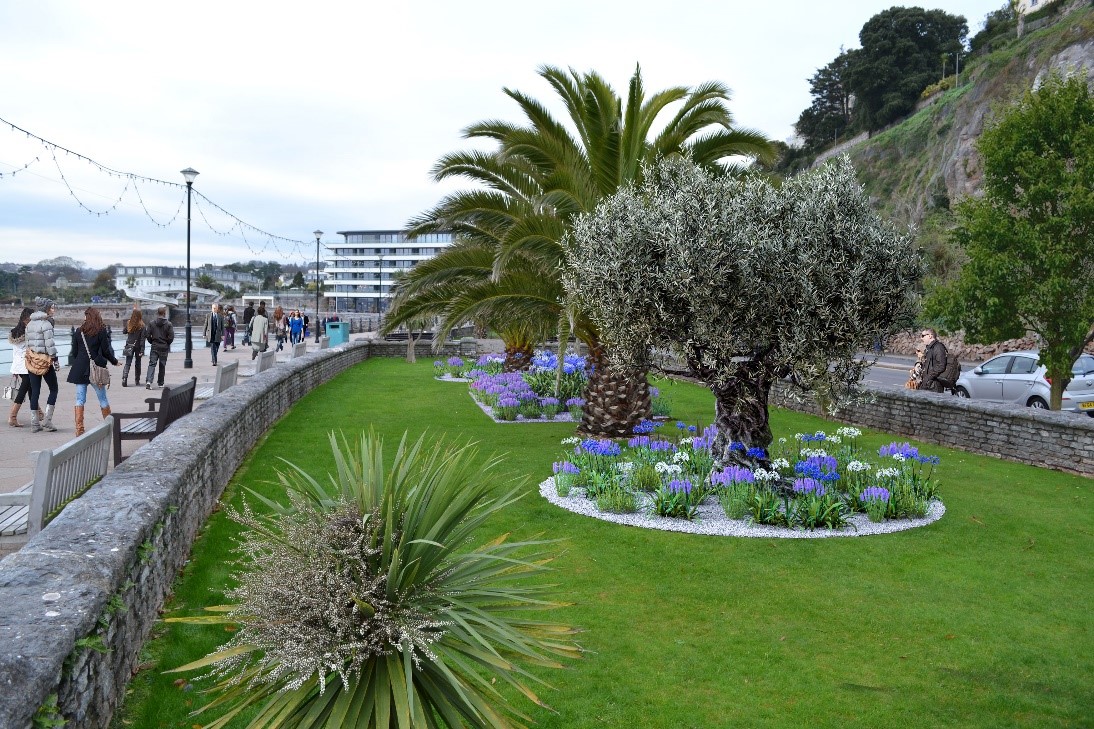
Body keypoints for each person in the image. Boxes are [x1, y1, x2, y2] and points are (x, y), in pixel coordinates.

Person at [68, 307, 120, 436]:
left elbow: (74, 351)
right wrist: (114, 361)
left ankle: (79, 429)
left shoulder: (79, 331)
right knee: (102, 398)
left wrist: (80, 360)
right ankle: (110, 426)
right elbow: (106, 350)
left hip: (80, 369)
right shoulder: (101, 331)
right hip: (95, 369)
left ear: (87, 317)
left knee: (80, 399)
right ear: (97, 316)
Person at [25, 297, 60, 433]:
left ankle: (35, 423)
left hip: (33, 361)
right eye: (51, 307)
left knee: (35, 391)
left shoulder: (29, 324)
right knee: (54, 389)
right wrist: (55, 360)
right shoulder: (46, 324)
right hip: (45, 361)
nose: (53, 309)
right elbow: (50, 346)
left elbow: (28, 344)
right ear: (46, 308)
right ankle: (47, 420)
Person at [7, 307, 33, 427]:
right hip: (26, 365)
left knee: (30, 387)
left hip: (18, 365)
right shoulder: (29, 332)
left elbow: (15, 352)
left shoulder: (14, 331)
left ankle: (39, 412)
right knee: (25, 389)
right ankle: (12, 416)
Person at [145, 306, 175, 389]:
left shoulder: (152, 323)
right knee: (162, 365)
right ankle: (160, 383)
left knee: (152, 364)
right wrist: (167, 343)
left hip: (155, 345)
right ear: (164, 313)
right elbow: (171, 336)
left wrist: (152, 341)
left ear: (157, 313)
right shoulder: (169, 324)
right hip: (164, 346)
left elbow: (147, 335)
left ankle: (148, 381)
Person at [121, 308, 147, 387]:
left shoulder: (129, 323)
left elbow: (124, 331)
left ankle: (124, 378)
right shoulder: (142, 325)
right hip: (138, 347)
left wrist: (128, 327)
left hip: (129, 345)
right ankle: (137, 380)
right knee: (138, 363)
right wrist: (142, 350)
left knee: (128, 363)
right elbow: (142, 339)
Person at [917, 328, 948, 393]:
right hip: (927, 385)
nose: (921, 338)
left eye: (923, 336)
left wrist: (928, 378)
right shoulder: (929, 348)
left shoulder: (938, 347)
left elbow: (941, 366)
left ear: (930, 336)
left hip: (934, 386)